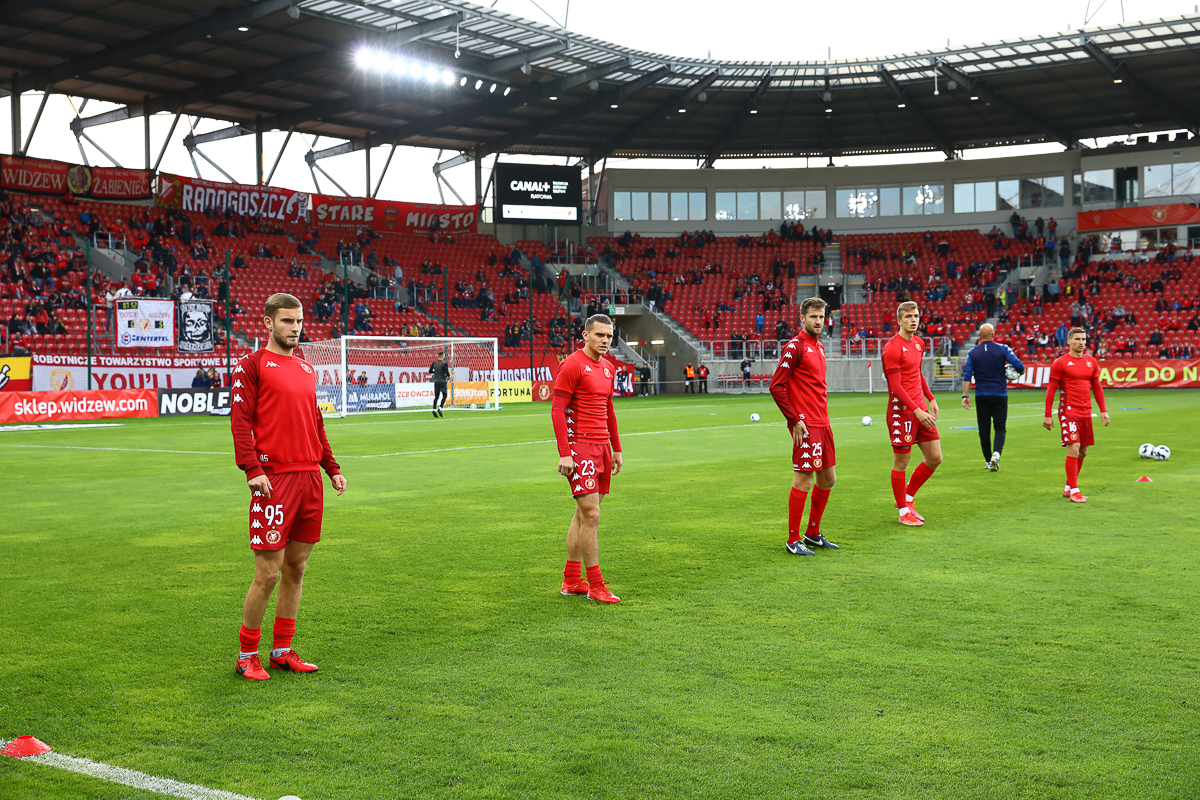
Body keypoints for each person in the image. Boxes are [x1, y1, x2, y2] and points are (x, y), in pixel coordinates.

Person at [230, 293, 348, 681]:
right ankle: (247, 654)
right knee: (268, 572)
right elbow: (239, 421)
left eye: (298, 321)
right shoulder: (251, 366)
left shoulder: (306, 369)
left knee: (296, 568)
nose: (295, 328)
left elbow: (316, 423)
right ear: (267, 323)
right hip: (273, 479)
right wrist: (252, 469)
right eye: (286, 321)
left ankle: (282, 649)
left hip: (309, 479)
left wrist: (331, 468)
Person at [551, 314, 623, 604]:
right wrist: (565, 453)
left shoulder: (608, 367)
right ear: (585, 335)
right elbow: (558, 410)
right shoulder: (572, 365)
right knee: (592, 515)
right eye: (599, 335)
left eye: (609, 336)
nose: (605, 340)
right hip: (580, 447)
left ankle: (571, 581)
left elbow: (609, 409)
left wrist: (616, 448)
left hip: (602, 446)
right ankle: (596, 584)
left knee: (583, 515)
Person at [768, 297, 839, 556]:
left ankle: (812, 533)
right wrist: (795, 419)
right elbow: (776, 386)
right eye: (813, 317)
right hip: (806, 425)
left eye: (821, 317)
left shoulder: (818, 347)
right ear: (802, 318)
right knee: (804, 479)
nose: (819, 321)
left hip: (824, 422)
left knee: (828, 479)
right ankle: (793, 539)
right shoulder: (794, 347)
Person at [882, 301, 942, 527]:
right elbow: (896, 386)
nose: (913, 320)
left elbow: (917, 374)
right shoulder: (892, 348)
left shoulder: (918, 343)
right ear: (898, 320)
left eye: (916, 315)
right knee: (902, 460)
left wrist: (931, 398)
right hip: (902, 412)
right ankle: (903, 511)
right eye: (908, 316)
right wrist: (916, 410)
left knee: (935, 457)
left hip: (920, 410)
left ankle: (906, 498)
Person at [1042, 328, 1110, 503]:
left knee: (1083, 451)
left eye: (1084, 339)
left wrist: (1103, 410)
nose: (1081, 342)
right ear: (1069, 342)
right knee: (1073, 448)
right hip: (1068, 411)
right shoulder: (1061, 363)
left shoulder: (1091, 362)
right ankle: (1074, 490)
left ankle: (1067, 486)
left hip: (1086, 412)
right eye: (1078, 339)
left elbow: (1096, 387)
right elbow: (1051, 389)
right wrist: (1048, 414)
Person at [961, 323, 1025, 471]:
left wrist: (965, 395)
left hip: (981, 395)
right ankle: (996, 454)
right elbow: (1019, 366)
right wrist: (1015, 373)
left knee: (984, 429)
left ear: (980, 337)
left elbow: (967, 375)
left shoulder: (973, 352)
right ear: (994, 334)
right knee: (1000, 427)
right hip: (1000, 394)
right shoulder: (1003, 348)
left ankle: (988, 461)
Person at [429, 351, 450, 418]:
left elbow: (430, 371)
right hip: (442, 381)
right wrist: (448, 376)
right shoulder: (444, 363)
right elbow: (446, 372)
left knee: (436, 396)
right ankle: (440, 408)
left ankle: (434, 409)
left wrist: (435, 372)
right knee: (444, 395)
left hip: (436, 381)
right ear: (443, 356)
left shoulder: (434, 363)